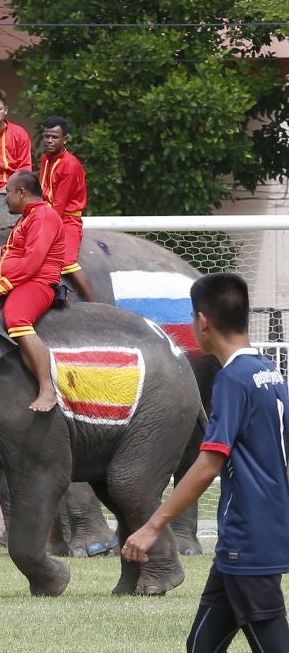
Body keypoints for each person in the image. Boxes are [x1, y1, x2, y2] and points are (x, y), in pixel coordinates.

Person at [122, 272, 289, 652]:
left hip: (247, 541)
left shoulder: (232, 380)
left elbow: (208, 465)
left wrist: (153, 526)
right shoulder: (270, 373)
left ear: (202, 321)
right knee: (201, 646)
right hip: (252, 538)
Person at [0, 171, 64, 412]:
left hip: (38, 283)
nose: (5, 198)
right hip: (22, 281)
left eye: (8, 192)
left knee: (16, 319)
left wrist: (0, 287)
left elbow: (33, 261)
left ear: (21, 193)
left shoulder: (43, 217)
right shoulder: (28, 217)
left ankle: (47, 389)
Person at [38, 116, 96, 302]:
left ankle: (94, 304)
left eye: (54, 137)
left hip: (67, 220)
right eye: (46, 136)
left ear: (65, 139)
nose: (49, 140)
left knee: (66, 262)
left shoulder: (70, 165)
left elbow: (58, 207)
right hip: (45, 214)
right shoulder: (45, 159)